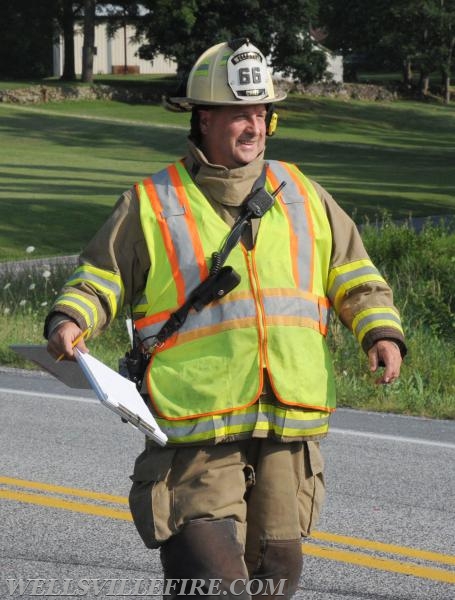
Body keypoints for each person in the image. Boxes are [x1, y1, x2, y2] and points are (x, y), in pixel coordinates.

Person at [45, 38, 406, 599]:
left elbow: (352, 272)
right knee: (212, 585)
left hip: (288, 425)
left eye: (261, 113)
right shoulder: (152, 201)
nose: (254, 127)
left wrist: (379, 330)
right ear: (203, 119)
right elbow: (101, 276)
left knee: (274, 582)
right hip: (196, 433)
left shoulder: (303, 194)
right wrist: (71, 317)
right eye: (240, 114)